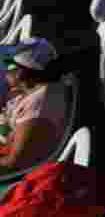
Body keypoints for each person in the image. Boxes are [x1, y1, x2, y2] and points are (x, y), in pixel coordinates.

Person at [0, 39, 68, 172]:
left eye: (8, 65)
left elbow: (13, 163)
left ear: (21, 71)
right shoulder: (31, 89)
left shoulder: (37, 107)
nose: (5, 71)